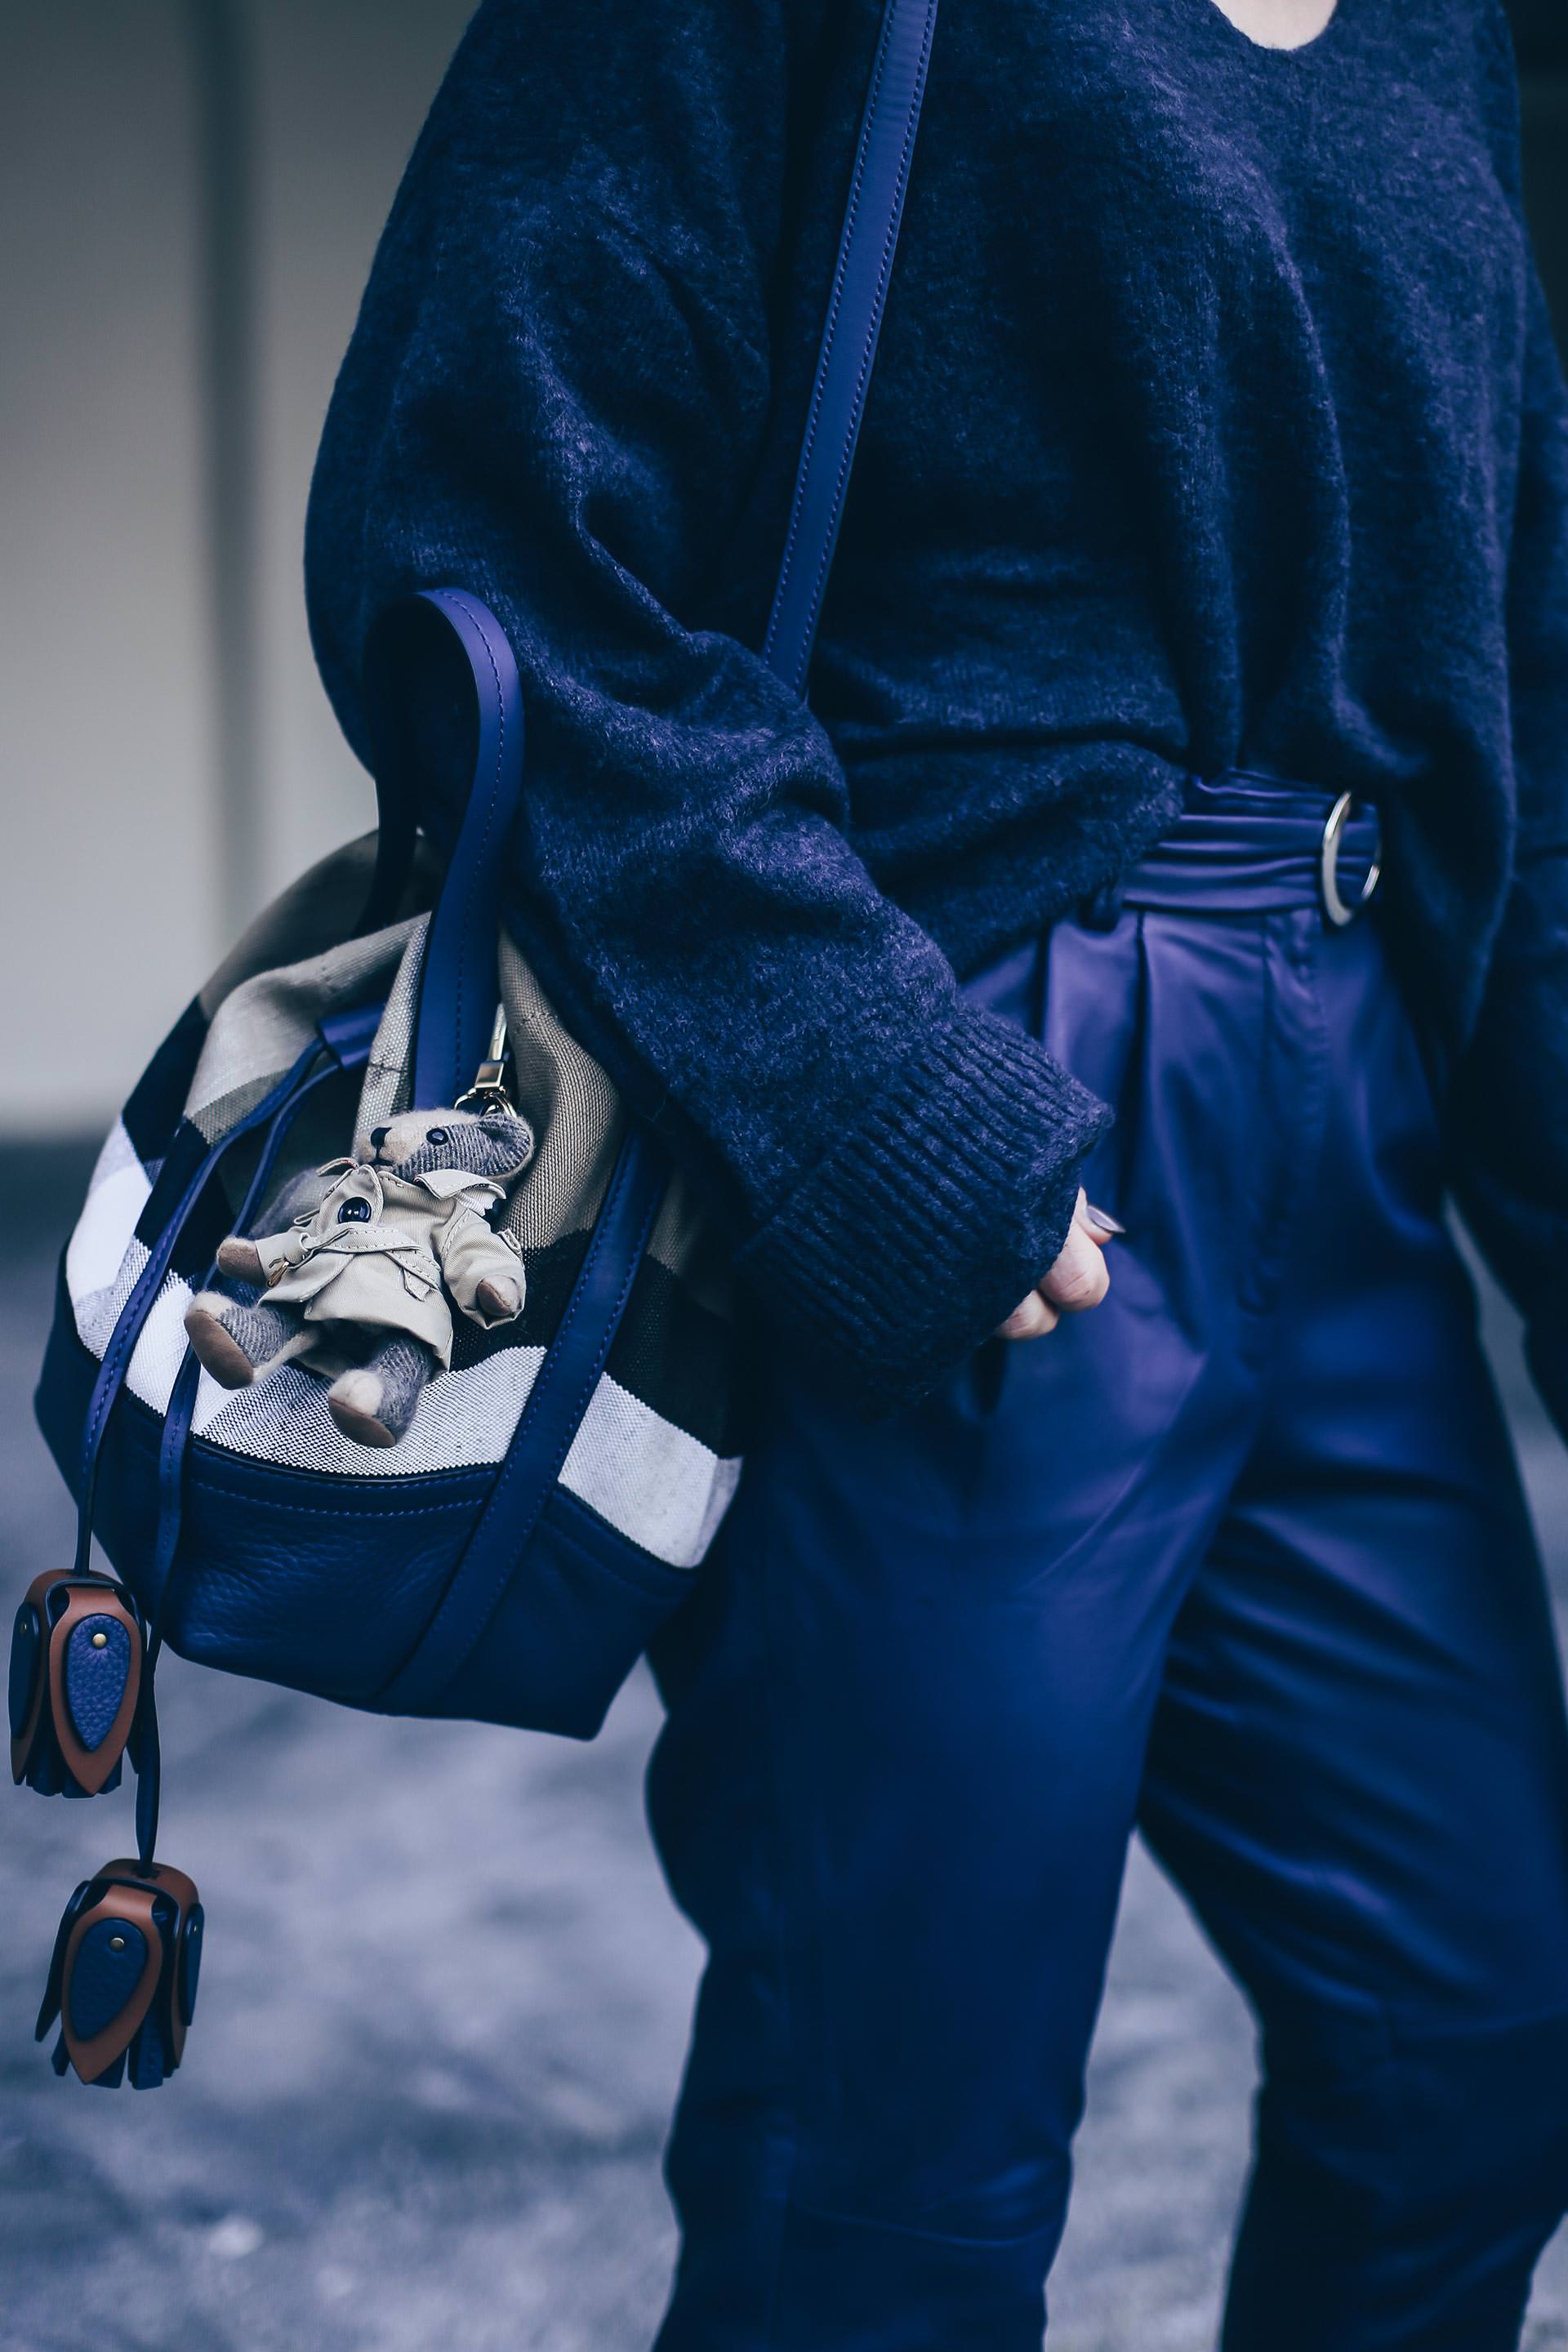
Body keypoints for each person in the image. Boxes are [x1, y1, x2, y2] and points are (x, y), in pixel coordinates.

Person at [304, 2, 1568, 2343]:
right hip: (975, 1092)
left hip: (1362, 1060)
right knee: (899, 2178)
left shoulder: (1442, 29)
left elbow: (1518, 661)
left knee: (1481, 2045)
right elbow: (482, 534)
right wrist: (877, 1097)